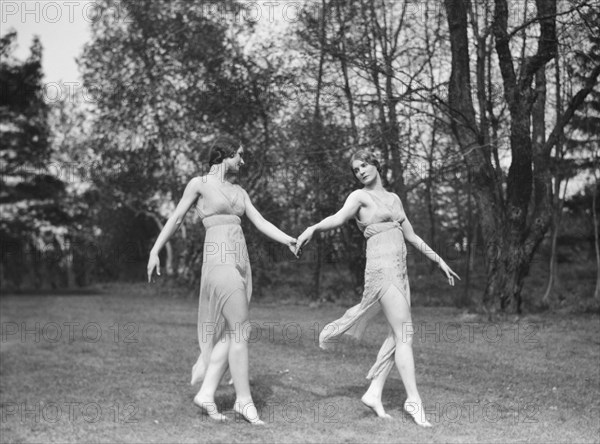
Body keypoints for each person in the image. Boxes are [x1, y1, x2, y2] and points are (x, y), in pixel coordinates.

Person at [296, 150, 459, 427]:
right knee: (404, 333)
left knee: (398, 334)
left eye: (364, 165)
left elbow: (411, 236)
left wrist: (439, 260)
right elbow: (337, 218)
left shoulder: (394, 199)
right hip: (382, 270)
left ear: (376, 164)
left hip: (401, 268)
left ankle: (374, 392)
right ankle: (413, 399)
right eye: (356, 169)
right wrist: (312, 228)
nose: (361, 171)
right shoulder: (359, 197)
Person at [147, 136, 297, 425]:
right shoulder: (199, 184)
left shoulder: (239, 191)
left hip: (241, 261)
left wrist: (287, 239)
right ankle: (244, 401)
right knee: (241, 331)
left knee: (233, 333)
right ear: (225, 155)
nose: (243, 161)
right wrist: (155, 250)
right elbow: (177, 217)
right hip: (218, 260)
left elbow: (261, 222)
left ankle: (206, 393)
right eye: (239, 155)